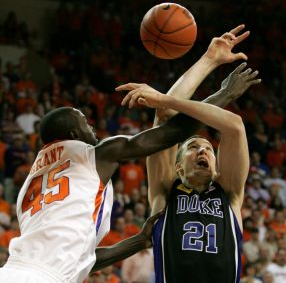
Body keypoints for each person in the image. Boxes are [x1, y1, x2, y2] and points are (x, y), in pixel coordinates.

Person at [0, 25, 253, 283]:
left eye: (209, 148)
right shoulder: (103, 159)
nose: (93, 130)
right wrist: (202, 88)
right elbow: (169, 125)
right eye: (85, 123)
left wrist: (139, 241)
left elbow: (82, 261)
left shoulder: (30, 191)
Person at [117, 24, 261, 282]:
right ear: (178, 167)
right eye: (192, 147)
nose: (202, 150)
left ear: (217, 168)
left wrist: (164, 99)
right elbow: (165, 120)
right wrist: (208, 60)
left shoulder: (229, 193)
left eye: (207, 148)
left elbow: (234, 126)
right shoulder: (164, 192)